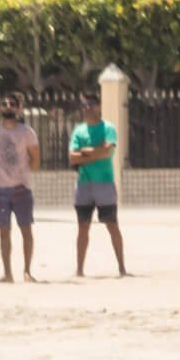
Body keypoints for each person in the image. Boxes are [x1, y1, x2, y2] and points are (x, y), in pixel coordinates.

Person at [69, 96, 127, 277]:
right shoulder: (78, 131)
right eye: (84, 105)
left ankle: (122, 267)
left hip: (105, 183)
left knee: (112, 225)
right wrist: (96, 152)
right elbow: (72, 157)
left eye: (91, 105)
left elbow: (108, 151)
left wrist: (85, 153)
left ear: (99, 106)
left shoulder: (108, 128)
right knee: (83, 226)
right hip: (84, 185)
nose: (87, 108)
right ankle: (79, 269)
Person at [0, 97, 41, 282]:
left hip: (21, 189)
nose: (8, 107)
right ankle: (7, 273)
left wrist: (23, 178)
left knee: (26, 229)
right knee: (4, 231)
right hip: (1, 190)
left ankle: (27, 271)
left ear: (19, 108)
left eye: (12, 104)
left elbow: (35, 158)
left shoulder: (27, 132)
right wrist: (0, 176)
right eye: (5, 104)